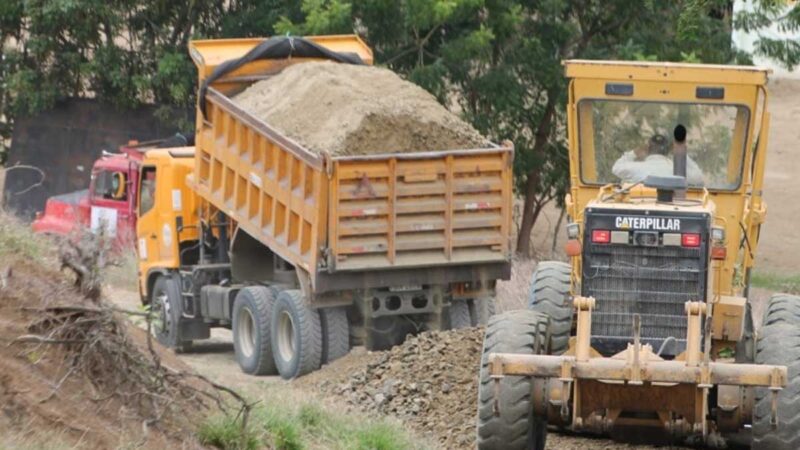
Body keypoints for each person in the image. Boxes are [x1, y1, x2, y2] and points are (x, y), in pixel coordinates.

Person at [612, 133, 704, 185]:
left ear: (648, 149)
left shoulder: (636, 168)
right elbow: (698, 178)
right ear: (669, 150)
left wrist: (633, 153)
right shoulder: (678, 170)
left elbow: (616, 168)